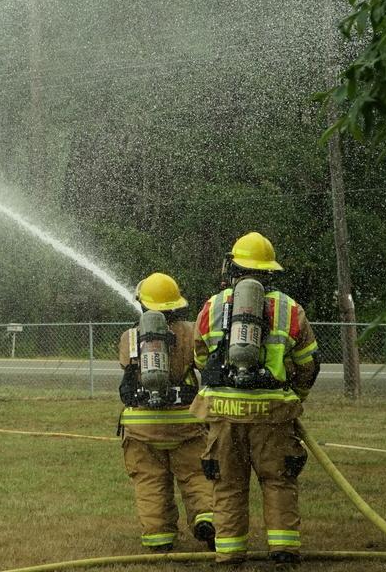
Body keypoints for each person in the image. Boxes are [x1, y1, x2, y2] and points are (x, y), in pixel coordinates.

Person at [190, 232, 320, 565]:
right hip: (272, 415)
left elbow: (201, 357)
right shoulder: (290, 309)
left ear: (233, 267)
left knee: (228, 485)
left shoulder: (212, 306)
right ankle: (284, 551)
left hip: (224, 415)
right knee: (278, 481)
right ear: (269, 271)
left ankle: (229, 554)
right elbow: (309, 363)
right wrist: (295, 398)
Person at [118, 273, 214, 552]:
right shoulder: (191, 331)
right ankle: (206, 519)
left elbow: (126, 369)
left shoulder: (129, 337)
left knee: (150, 483)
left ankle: (158, 537)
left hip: (142, 425)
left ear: (143, 303)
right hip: (186, 421)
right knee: (196, 475)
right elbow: (204, 364)